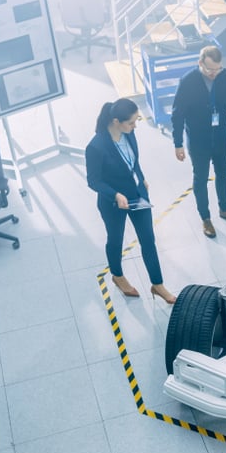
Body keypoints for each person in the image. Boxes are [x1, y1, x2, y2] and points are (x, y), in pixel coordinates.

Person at [86, 98, 176, 304]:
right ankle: (117, 276)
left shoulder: (129, 133)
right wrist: (115, 195)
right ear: (116, 121)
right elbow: (93, 181)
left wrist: (141, 177)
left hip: (137, 195)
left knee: (148, 240)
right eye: (132, 122)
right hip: (113, 202)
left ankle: (158, 284)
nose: (135, 126)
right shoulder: (96, 146)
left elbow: (133, 161)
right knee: (115, 240)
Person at [171, 45, 226, 238]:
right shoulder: (188, 82)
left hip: (221, 135)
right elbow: (177, 114)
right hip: (198, 140)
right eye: (209, 70)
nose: (214, 73)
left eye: (217, 69)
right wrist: (178, 143)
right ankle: (205, 218)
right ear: (200, 63)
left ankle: (225, 209)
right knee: (201, 178)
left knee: (223, 175)